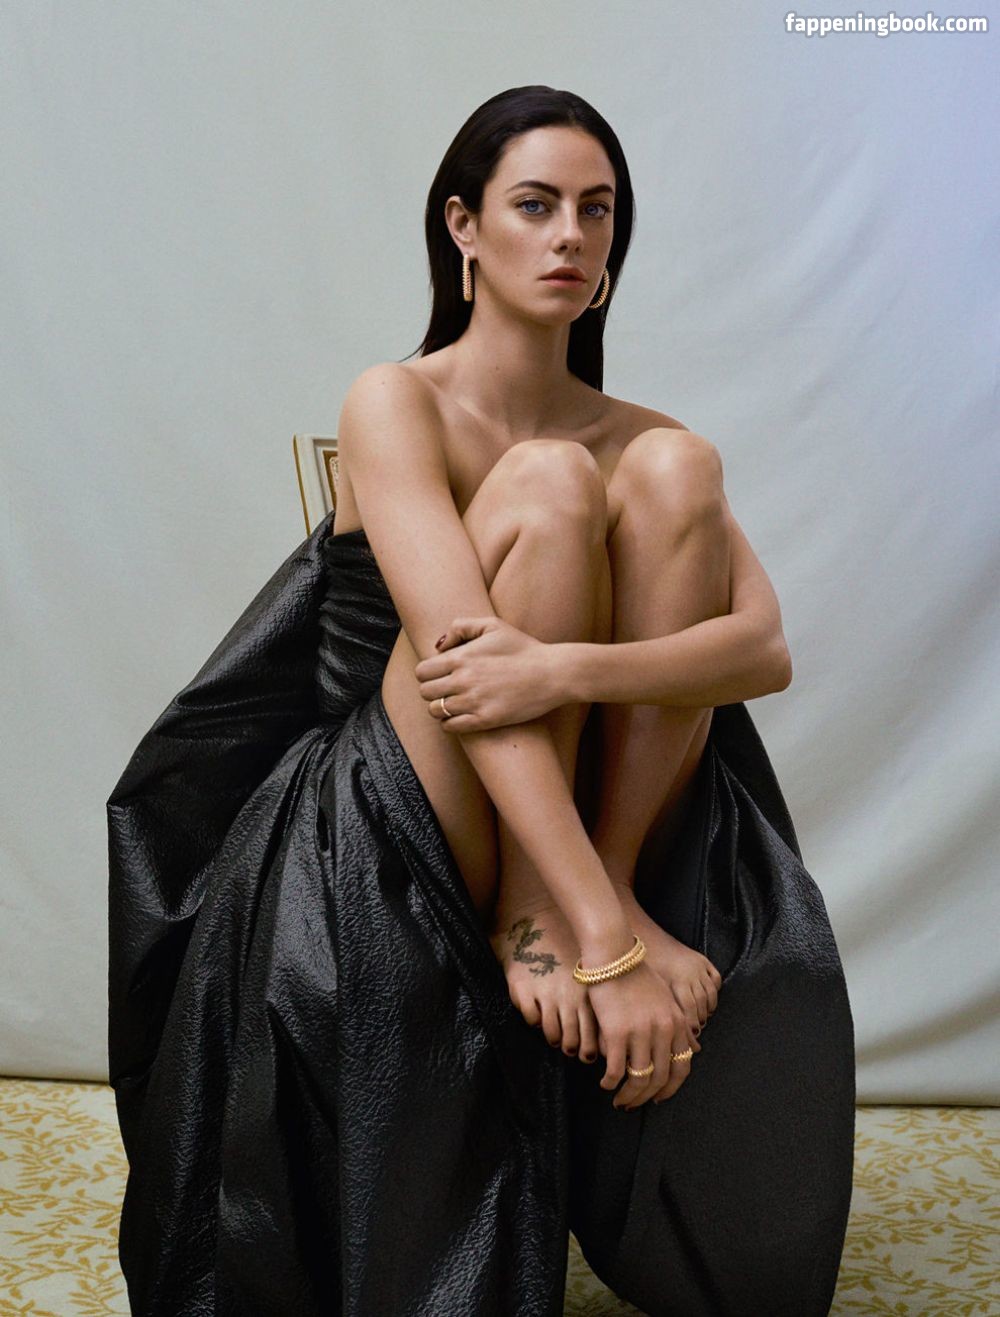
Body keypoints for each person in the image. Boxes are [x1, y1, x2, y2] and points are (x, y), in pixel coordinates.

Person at [107, 86, 855, 1317]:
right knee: (550, 486)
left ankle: (596, 880)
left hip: (584, 797)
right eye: (535, 206)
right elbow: (463, 666)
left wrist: (570, 675)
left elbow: (761, 650)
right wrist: (599, 940)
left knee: (675, 465)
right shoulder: (394, 400)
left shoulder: (646, 435)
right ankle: (540, 909)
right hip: (394, 789)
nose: (570, 236)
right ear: (463, 227)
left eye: (596, 212)